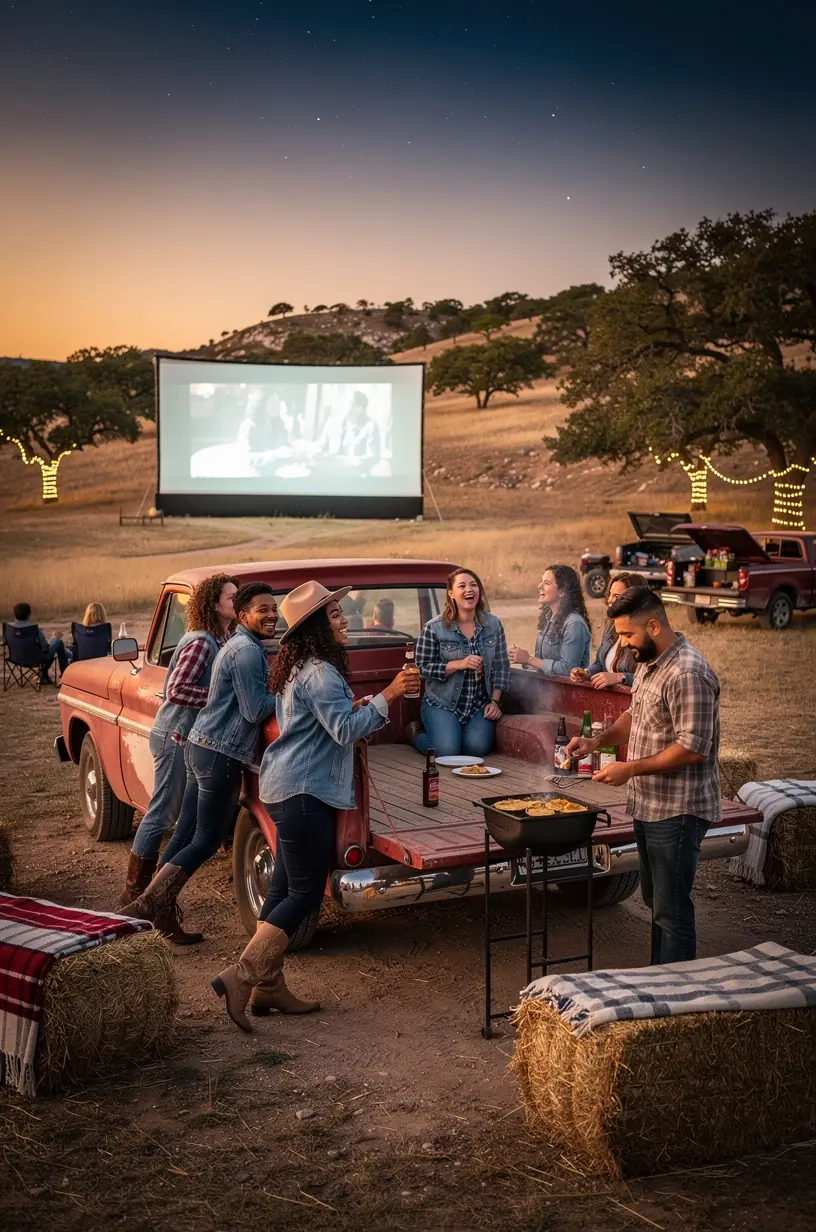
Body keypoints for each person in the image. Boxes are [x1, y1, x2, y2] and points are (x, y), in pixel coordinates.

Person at [211, 581, 416, 1031]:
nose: (346, 620)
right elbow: (343, 729)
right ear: (318, 626)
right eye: (337, 615)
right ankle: (242, 975)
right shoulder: (320, 672)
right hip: (305, 792)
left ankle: (269, 988)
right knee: (304, 894)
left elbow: (318, 721)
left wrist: (360, 703)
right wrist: (391, 693)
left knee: (283, 889)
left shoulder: (301, 667)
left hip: (288, 787)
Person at [566, 587, 721, 965]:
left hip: (678, 811)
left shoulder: (687, 672)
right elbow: (633, 718)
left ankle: (676, 996)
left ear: (653, 625)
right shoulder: (649, 665)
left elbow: (693, 747)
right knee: (656, 903)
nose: (622, 644)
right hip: (647, 805)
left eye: (627, 635)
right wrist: (595, 742)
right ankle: (659, 978)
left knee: (671, 911)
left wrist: (630, 768)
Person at [122, 582, 279, 936]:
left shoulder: (234, 643)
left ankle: (154, 906)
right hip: (220, 754)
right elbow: (254, 710)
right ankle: (148, 903)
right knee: (206, 839)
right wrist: (289, 697)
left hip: (200, 745)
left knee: (187, 832)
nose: (272, 615)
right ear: (243, 615)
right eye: (263, 610)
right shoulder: (243, 651)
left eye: (274, 608)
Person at [117, 573, 238, 942]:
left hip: (188, 737)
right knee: (162, 813)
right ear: (213, 603)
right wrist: (219, 700)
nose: (237, 600)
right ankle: (135, 895)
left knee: (179, 818)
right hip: (175, 735)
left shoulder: (224, 639)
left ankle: (157, 904)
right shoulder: (202, 641)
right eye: (231, 596)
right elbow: (176, 688)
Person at [412, 568, 510, 758]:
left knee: (476, 749)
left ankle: (459, 734)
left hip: (478, 705)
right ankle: (415, 735)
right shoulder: (434, 627)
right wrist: (459, 664)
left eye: (473, 585)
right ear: (451, 593)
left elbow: (502, 666)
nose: (469, 590)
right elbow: (422, 668)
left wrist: (495, 702)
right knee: (447, 751)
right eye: (462, 586)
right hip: (442, 703)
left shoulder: (493, 625)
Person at [509, 565, 591, 677]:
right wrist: (519, 658)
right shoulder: (548, 618)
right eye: (541, 582)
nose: (539, 586)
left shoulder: (574, 624)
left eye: (546, 583)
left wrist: (529, 659)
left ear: (562, 592)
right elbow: (542, 666)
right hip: (547, 690)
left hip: (569, 692)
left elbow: (568, 669)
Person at [570, 572, 648, 689]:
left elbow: (651, 679)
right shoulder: (611, 627)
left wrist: (620, 677)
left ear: (634, 600)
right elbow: (600, 663)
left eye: (617, 596)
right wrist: (586, 673)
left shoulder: (647, 634)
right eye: (610, 594)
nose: (610, 600)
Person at [9, 601, 70, 684]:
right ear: (29, 615)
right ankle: (65, 677)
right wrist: (54, 638)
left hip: (15, 658)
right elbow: (45, 647)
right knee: (59, 642)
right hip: (35, 660)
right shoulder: (33, 629)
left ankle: (43, 674)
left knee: (55, 643)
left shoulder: (9, 628)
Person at [237, 391, 290, 469]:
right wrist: (272, 455)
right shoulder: (248, 425)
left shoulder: (278, 424)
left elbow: (283, 446)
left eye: (278, 402)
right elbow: (245, 457)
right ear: (261, 404)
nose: (277, 406)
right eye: (272, 402)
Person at [337, 391, 380, 461]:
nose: (343, 406)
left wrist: (351, 462)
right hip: (332, 469)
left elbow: (373, 456)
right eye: (343, 402)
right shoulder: (334, 423)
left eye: (348, 403)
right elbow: (320, 446)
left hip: (357, 470)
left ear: (359, 408)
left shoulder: (370, 426)